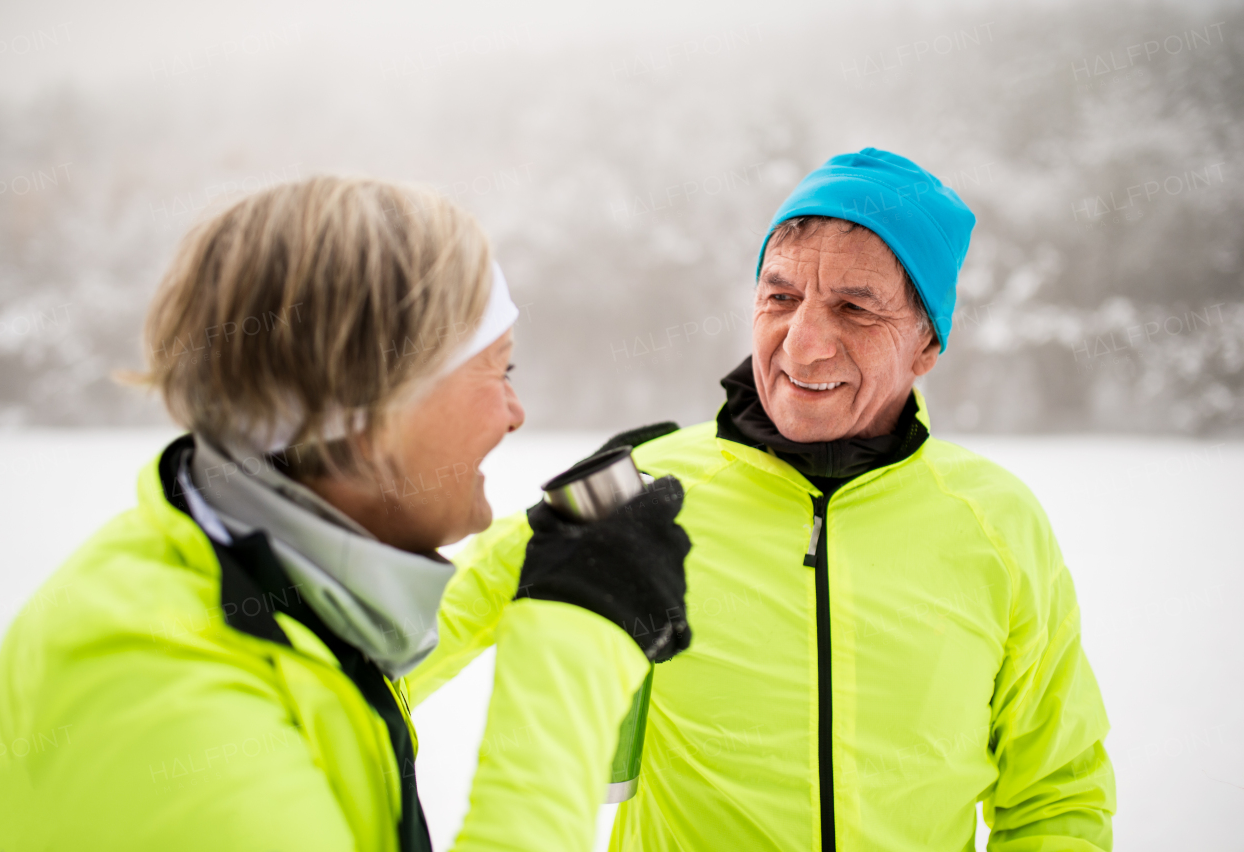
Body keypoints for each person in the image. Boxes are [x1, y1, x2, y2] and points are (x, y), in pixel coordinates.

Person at [407, 149, 1117, 850]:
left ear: (926, 344)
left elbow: (1056, 797)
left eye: (854, 308)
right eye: (781, 297)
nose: (803, 346)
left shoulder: (997, 525)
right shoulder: (644, 492)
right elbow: (402, 644)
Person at [0, 177, 692, 852]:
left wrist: (535, 563)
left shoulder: (232, 572)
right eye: (496, 368)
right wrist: (576, 645)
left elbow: (332, 668)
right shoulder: (159, 700)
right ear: (373, 410)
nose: (515, 413)